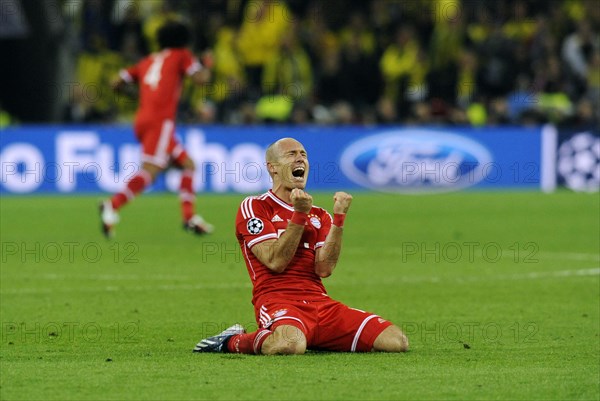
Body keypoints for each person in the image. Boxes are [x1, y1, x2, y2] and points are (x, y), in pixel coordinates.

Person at [193, 138, 409, 354]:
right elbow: (275, 261)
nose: (300, 159)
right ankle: (231, 341)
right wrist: (299, 215)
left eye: (303, 154)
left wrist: (339, 219)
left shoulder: (320, 214)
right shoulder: (255, 207)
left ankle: (306, 335)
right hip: (277, 300)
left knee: (396, 341)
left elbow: (324, 269)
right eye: (291, 154)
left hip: (320, 303)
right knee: (289, 345)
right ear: (272, 167)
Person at [100, 21, 214, 238]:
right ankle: (112, 205)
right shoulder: (182, 55)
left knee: (188, 165)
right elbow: (201, 79)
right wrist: (207, 64)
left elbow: (116, 82)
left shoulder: (148, 60)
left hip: (142, 119)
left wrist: (138, 96)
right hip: (160, 122)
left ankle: (189, 217)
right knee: (150, 172)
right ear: (183, 40)